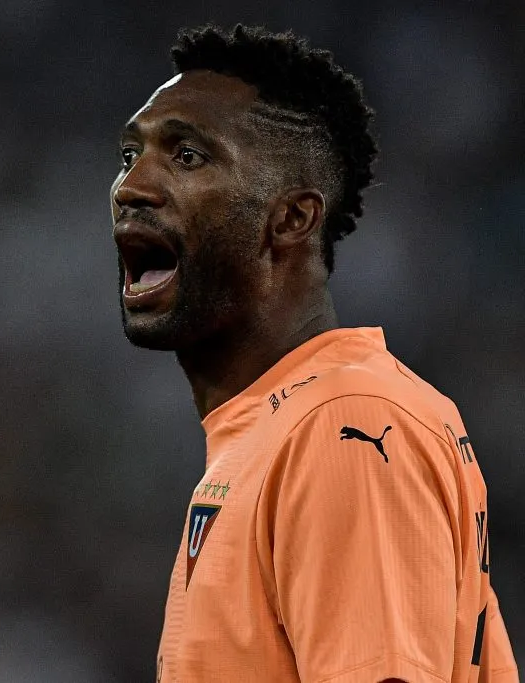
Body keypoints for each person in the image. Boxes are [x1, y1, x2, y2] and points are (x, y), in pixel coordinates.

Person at [110, 24, 519, 683]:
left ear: (293, 218)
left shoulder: (344, 425)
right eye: (129, 156)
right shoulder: (272, 431)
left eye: (187, 157)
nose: (131, 186)